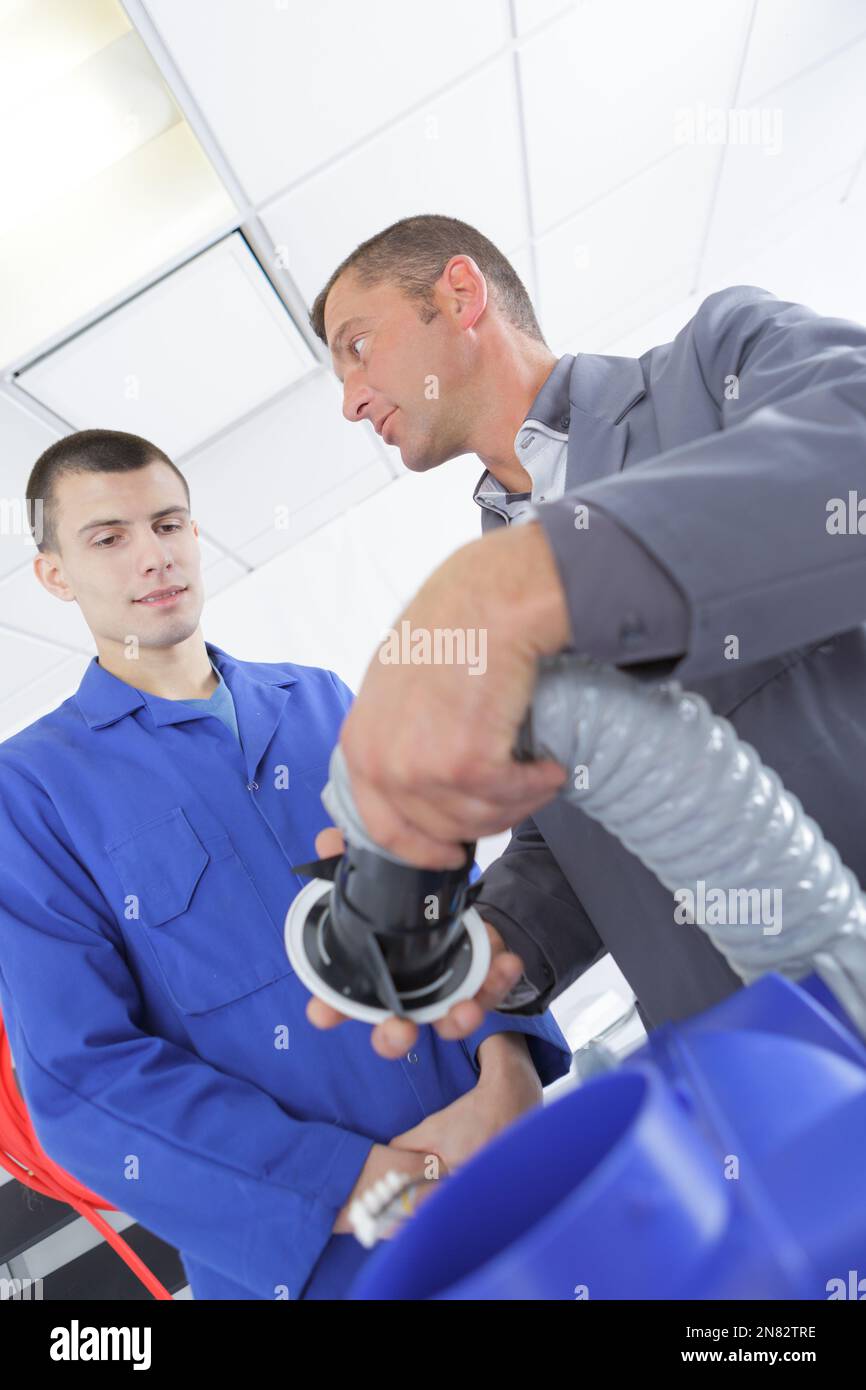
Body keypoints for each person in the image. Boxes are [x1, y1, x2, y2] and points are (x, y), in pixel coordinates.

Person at [0, 428, 571, 1299]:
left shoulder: (319, 701)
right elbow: (85, 1080)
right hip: (327, 1266)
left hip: (511, 1178)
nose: (152, 556)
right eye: (108, 538)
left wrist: (511, 1062)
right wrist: (370, 1184)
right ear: (55, 575)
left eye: (168, 524)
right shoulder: (32, 795)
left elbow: (443, 913)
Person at [306, 213, 866, 1058]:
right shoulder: (500, 596)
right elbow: (595, 813)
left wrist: (529, 580)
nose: (350, 401)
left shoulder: (717, 367)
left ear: (459, 295)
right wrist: (495, 936)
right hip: (758, 1084)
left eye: (357, 346)